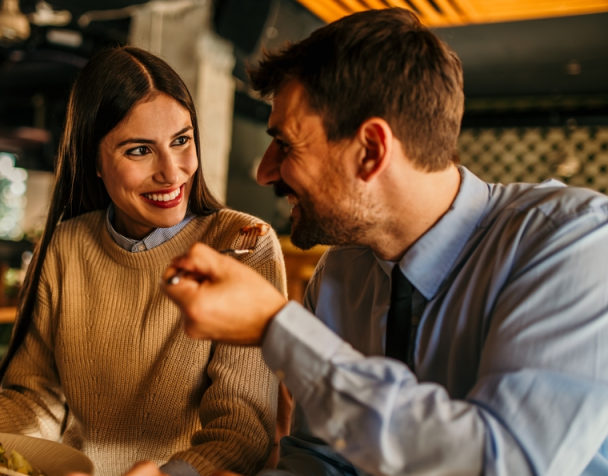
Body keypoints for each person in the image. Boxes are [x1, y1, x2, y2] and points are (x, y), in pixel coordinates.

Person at [158, 8, 608, 476]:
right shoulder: (339, 273)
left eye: (286, 144)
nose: (264, 171)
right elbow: (322, 461)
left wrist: (276, 328)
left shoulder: (573, 241)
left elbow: (505, 462)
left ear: (371, 151)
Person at [0, 46, 285, 476]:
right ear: (93, 159)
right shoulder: (66, 244)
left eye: (181, 141)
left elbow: (241, 431)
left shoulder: (244, 243)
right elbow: (37, 405)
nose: (172, 172)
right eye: (139, 150)